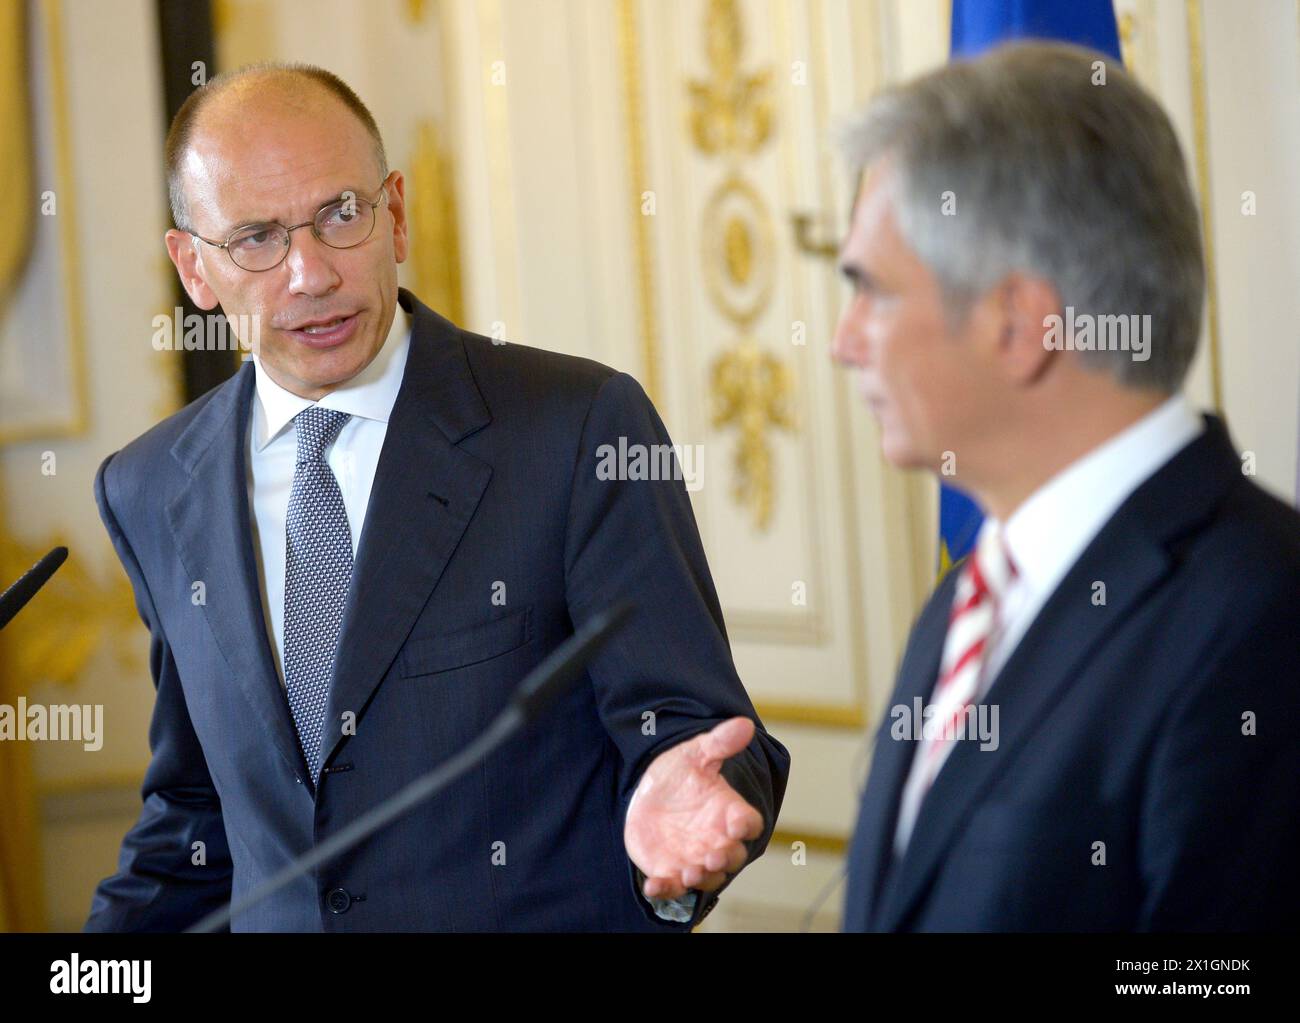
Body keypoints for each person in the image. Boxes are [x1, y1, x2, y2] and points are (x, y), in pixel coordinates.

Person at [85, 62, 788, 932]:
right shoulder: (149, 486)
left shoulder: (574, 430)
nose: (310, 274)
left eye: (342, 215)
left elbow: (697, 733)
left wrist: (685, 807)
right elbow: (194, 818)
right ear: (192, 266)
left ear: (398, 214)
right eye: (257, 239)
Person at [832, 42, 1299, 931]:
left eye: (872, 292)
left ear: (1017, 324)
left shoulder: (1261, 616)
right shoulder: (968, 599)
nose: (843, 341)